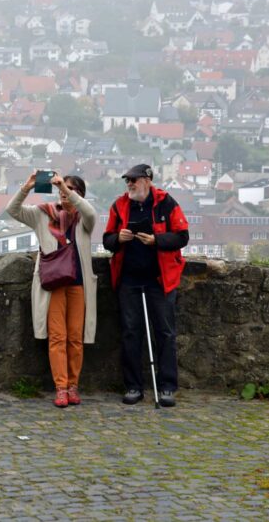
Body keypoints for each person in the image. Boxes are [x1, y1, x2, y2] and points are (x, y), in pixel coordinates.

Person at [7, 170, 97, 408]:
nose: (66, 193)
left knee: (75, 338)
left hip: (78, 283)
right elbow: (13, 210)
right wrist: (27, 186)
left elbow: (91, 213)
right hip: (53, 285)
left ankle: (73, 386)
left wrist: (67, 191)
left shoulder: (83, 219)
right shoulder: (43, 214)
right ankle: (61, 388)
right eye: (63, 189)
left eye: (73, 190)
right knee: (58, 338)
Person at [102, 164, 189, 407]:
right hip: (129, 279)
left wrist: (156, 240)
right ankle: (133, 386)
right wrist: (118, 238)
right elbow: (107, 240)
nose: (129, 184)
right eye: (127, 180)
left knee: (165, 332)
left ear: (148, 181)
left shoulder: (166, 203)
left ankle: (168, 388)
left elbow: (182, 236)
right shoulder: (119, 206)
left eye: (134, 180)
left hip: (159, 280)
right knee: (131, 332)